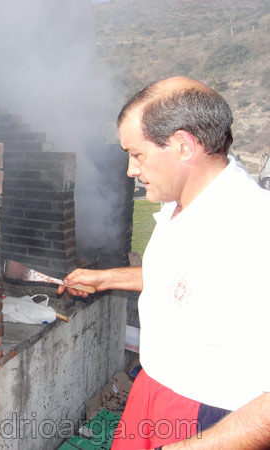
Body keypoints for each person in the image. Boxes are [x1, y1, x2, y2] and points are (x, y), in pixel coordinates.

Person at [58, 77, 270, 449]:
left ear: (183, 146)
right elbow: (185, 280)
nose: (130, 170)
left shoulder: (253, 229)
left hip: (211, 421)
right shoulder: (180, 201)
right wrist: (108, 277)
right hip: (153, 388)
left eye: (137, 154)